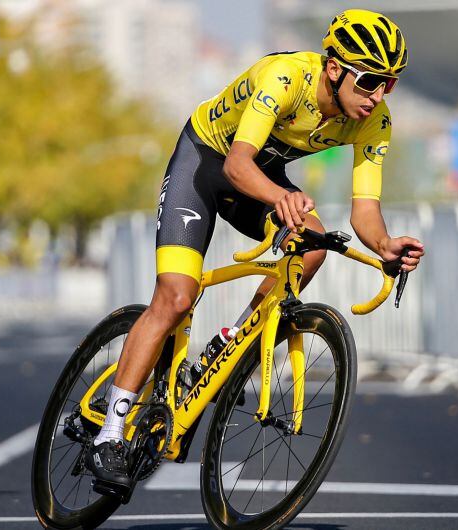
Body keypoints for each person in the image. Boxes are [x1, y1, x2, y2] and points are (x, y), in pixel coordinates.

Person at [85, 9, 425, 496]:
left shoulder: (374, 121)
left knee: (312, 244)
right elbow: (239, 165)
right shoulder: (285, 77)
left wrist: (386, 244)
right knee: (177, 296)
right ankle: (110, 434)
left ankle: (229, 344)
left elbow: (364, 214)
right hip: (207, 163)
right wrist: (280, 197)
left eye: (388, 85)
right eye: (370, 81)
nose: (377, 96)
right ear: (334, 68)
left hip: (257, 179)